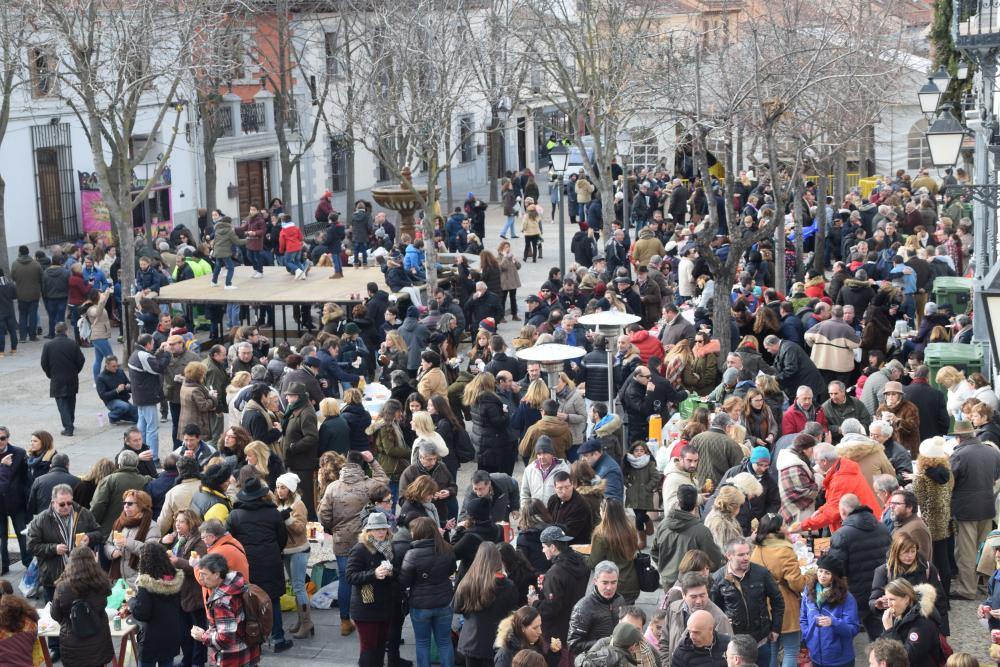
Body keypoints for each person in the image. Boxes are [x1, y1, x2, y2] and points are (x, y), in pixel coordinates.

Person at [25, 484, 102, 662]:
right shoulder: (42, 519)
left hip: (81, 575)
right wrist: (53, 548)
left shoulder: (83, 513)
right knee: (54, 613)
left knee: (80, 611)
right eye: (62, 504)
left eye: (69, 503)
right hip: (53, 576)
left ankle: (80, 644)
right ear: (53, 503)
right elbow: (31, 545)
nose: (67, 507)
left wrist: (90, 537)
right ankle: (55, 647)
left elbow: (99, 532)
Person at [318, 450, 389, 636]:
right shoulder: (369, 485)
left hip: (341, 540)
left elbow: (323, 514)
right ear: (361, 464)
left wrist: (333, 528)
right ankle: (365, 617)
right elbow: (384, 480)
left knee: (345, 579)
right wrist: (372, 461)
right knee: (365, 576)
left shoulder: (333, 487)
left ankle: (345, 621)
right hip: (365, 541)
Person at [226, 476, 292, 653]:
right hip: (271, 562)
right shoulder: (273, 513)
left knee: (249, 601)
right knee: (273, 600)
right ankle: (278, 638)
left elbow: (230, 540)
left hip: (246, 564)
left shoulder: (235, 515)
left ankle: (253, 639)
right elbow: (282, 538)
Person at [823, 493, 891, 639]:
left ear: (843, 512)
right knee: (879, 632)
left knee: (845, 633)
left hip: (855, 592)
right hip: (881, 588)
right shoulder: (883, 528)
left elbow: (836, 568)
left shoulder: (841, 535)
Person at [710, 537, 784, 667]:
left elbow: (777, 600)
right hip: (734, 643)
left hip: (760, 640)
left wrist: (776, 628)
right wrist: (724, 620)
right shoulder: (718, 578)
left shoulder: (761, 573)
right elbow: (714, 609)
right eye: (741, 555)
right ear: (729, 555)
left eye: (747, 553)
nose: (746, 558)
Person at [949, 419, 1000, 599]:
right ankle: (986, 586)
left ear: (958, 437)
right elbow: (996, 476)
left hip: (966, 509)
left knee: (966, 552)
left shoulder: (959, 455)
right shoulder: (992, 451)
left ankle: (967, 589)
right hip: (987, 506)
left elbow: (949, 482)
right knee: (984, 550)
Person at [750, 513, 808, 667]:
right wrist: (810, 576)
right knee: (791, 650)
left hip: (764, 605)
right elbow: (797, 584)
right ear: (777, 529)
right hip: (785, 605)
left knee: (772, 649)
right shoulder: (784, 550)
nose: (786, 527)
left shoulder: (756, 549)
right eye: (783, 524)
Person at [399, 516, 457, 667]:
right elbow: (452, 569)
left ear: (419, 532)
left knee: (422, 642)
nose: (411, 533)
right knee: (444, 642)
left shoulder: (412, 554)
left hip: (420, 605)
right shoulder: (447, 548)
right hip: (444, 602)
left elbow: (404, 581)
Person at [453, 542, 519, 667]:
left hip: (471, 640)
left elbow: (456, 607)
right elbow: (512, 609)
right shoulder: (508, 586)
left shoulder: (468, 582)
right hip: (496, 640)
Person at [346, 512, 399, 666]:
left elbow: (398, 571)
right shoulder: (360, 549)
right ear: (368, 531)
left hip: (384, 605)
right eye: (377, 529)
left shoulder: (389, 547)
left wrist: (391, 572)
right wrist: (373, 574)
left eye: (383, 529)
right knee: (369, 648)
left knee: (380, 646)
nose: (381, 532)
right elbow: (350, 576)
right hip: (366, 608)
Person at [870, 532, 948, 635]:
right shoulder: (883, 571)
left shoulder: (927, 569)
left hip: (922, 625)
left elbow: (940, 601)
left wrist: (943, 631)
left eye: (913, 551)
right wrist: (877, 604)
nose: (910, 555)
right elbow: (873, 600)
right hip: (896, 626)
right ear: (896, 551)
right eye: (906, 552)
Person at [191, 552, 261, 667]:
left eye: (204, 574)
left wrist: (203, 636)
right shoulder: (236, 584)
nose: (201, 578)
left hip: (233, 658)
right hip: (249, 652)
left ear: (216, 574)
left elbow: (225, 639)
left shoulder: (221, 602)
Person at [794, 444, 880, 533]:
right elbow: (835, 500)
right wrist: (821, 510)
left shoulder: (840, 479)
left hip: (864, 528)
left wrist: (803, 526)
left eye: (816, 460)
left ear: (824, 461)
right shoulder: (843, 466)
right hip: (866, 523)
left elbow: (832, 513)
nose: (816, 464)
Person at [652, 484, 724, 590]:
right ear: (695, 504)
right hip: (693, 584)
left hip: (668, 581)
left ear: (678, 501)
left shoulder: (662, 525)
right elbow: (714, 561)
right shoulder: (701, 531)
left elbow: (654, 552)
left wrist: (666, 569)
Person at [162, 509, 208, 667]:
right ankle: (187, 660)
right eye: (176, 521)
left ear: (191, 522)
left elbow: (200, 566)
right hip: (181, 593)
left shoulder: (199, 541)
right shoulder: (178, 539)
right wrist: (164, 544)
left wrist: (177, 562)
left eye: (181, 521)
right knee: (183, 633)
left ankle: (198, 662)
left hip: (194, 594)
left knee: (197, 631)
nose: (177, 524)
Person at [128, 542, 184, 667]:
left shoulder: (146, 583)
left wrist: (131, 601)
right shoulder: (175, 578)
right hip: (171, 634)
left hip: (151, 638)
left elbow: (142, 613)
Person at [799, 555, 861, 667]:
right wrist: (808, 635)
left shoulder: (847, 598)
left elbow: (853, 629)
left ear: (835, 576)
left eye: (827, 573)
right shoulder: (808, 591)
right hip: (816, 656)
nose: (822, 575)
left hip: (840, 660)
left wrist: (834, 622)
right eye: (820, 571)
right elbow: (803, 618)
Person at [662, 573, 733, 663]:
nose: (699, 601)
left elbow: (728, 654)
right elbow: (664, 641)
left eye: (702, 595)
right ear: (683, 595)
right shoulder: (674, 609)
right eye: (694, 597)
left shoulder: (719, 619)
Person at [274, 472, 311, 638]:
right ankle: (301, 620)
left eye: (283, 487)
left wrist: (287, 519)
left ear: (291, 489)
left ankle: (306, 622)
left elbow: (300, 529)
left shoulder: (298, 505)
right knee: (296, 588)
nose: (279, 490)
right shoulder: (279, 503)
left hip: (298, 550)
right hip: (287, 550)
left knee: (298, 587)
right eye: (277, 487)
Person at [879, 579, 946, 667]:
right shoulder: (901, 614)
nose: (889, 604)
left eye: (892, 599)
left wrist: (889, 630)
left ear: (906, 599)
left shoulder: (922, 621)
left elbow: (907, 657)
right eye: (887, 599)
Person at [129, 333, 172, 463]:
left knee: (142, 428)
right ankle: (153, 458)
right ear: (147, 344)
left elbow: (151, 360)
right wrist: (167, 353)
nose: (154, 345)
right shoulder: (143, 356)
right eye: (153, 343)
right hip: (147, 397)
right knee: (152, 429)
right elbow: (158, 367)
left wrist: (160, 351)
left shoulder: (136, 353)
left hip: (140, 396)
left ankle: (141, 454)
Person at [90, 450, 153, 538]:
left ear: (119, 464)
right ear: (136, 464)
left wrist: (92, 526)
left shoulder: (109, 480)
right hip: (136, 532)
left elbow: (98, 505)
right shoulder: (146, 480)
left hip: (109, 531)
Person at [105, 488, 162, 586]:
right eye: (124, 503)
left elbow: (151, 552)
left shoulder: (152, 526)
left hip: (138, 580)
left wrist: (127, 542)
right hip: (117, 580)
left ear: (141, 506)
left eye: (130, 503)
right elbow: (108, 543)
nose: (126, 506)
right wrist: (112, 552)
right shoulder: (119, 522)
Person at [567, 560, 626, 654]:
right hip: (594, 659)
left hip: (617, 656)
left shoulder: (620, 600)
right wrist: (606, 643)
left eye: (613, 582)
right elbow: (573, 645)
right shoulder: (583, 607)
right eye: (605, 583)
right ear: (595, 581)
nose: (609, 587)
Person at [280, 382, 319, 519]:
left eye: (290, 395)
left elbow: (312, 437)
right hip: (296, 462)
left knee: (304, 497)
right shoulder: (295, 408)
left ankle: (309, 522)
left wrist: (293, 447)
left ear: (298, 397)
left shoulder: (306, 413)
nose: (287, 398)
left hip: (303, 464)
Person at [39, 321, 85, 436]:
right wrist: (75, 371)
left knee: (62, 403)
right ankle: (70, 422)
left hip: (57, 378)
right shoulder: (73, 344)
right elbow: (81, 360)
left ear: (55, 331)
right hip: (71, 377)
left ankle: (68, 427)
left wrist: (50, 374)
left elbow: (44, 363)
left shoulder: (48, 345)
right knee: (71, 400)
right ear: (66, 331)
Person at [494, 606, 558, 667]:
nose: (540, 631)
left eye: (540, 626)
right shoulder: (505, 654)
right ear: (522, 627)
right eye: (535, 628)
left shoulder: (535, 642)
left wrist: (553, 653)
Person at [520, 437, 570, 505]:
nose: (542, 457)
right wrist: (526, 509)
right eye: (539, 454)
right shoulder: (529, 470)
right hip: (535, 511)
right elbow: (524, 494)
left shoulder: (563, 469)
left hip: (556, 511)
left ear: (552, 453)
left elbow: (568, 494)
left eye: (545, 453)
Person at [97, 355, 140, 424]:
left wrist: (129, 387)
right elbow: (103, 396)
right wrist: (117, 390)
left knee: (138, 418)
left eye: (117, 366)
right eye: (113, 366)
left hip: (124, 400)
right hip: (111, 402)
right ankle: (112, 416)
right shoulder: (101, 378)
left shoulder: (120, 372)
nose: (116, 368)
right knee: (124, 406)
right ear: (107, 365)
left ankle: (120, 416)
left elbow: (128, 384)